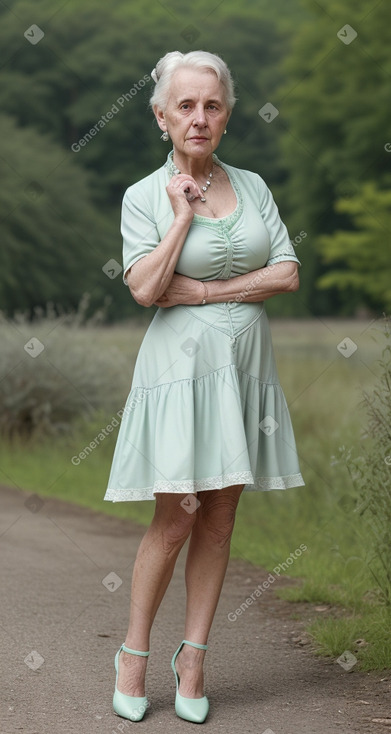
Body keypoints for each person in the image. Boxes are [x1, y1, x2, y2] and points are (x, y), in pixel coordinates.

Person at [104, 49, 305, 724]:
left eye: (211, 105)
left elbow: (286, 273)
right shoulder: (141, 195)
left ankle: (192, 658)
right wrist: (181, 217)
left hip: (245, 373)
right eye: (185, 106)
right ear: (161, 115)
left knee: (219, 520)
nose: (199, 117)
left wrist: (210, 290)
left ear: (226, 114)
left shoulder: (251, 185)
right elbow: (144, 288)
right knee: (176, 518)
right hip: (178, 376)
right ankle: (132, 654)